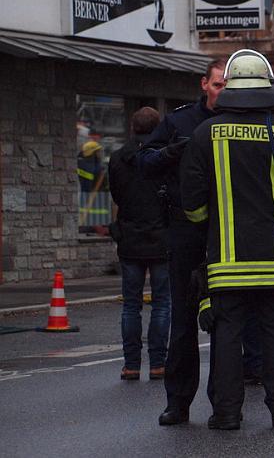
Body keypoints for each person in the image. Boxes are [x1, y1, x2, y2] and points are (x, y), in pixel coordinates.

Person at [181, 49, 274, 429]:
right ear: (268, 85)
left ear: (229, 85)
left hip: (226, 261)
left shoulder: (205, 133)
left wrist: (209, 225)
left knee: (227, 336)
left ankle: (226, 414)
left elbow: (191, 203)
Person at [139, 59, 226, 426]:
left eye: (230, 85)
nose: (224, 90)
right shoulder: (178, 122)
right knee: (184, 320)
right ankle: (178, 402)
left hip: (226, 234)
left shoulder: (240, 122)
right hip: (186, 233)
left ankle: (225, 403)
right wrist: (171, 152)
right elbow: (143, 161)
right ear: (205, 84)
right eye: (219, 84)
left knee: (227, 321)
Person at [108, 107, 170, 381]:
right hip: (160, 236)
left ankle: (131, 364)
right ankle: (158, 362)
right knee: (162, 303)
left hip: (130, 237)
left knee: (131, 305)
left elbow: (117, 195)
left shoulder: (118, 158)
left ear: (132, 128)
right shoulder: (165, 157)